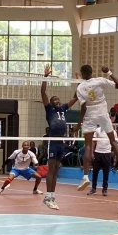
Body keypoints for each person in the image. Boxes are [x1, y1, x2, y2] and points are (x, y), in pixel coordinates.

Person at [76, 64, 118, 191]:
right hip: (103, 113)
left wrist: (79, 123)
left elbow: (83, 107)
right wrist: (109, 72)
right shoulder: (100, 80)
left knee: (88, 146)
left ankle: (86, 176)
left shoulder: (80, 87)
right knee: (113, 141)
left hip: (90, 114)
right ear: (91, 72)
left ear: (82, 74)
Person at [40, 64, 78, 210]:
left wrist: (78, 83)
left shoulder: (63, 109)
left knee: (56, 170)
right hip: (52, 141)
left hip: (61, 141)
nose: (57, 101)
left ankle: (51, 196)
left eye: (58, 99)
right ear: (51, 103)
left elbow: (75, 97)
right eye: (54, 99)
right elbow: (43, 93)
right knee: (51, 169)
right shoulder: (49, 110)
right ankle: (48, 196)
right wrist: (45, 77)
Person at [89, 125, 117, 196]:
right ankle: (93, 188)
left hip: (107, 153)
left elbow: (114, 143)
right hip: (97, 153)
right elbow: (93, 142)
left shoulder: (113, 132)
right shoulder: (97, 130)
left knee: (106, 173)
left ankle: (105, 189)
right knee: (95, 172)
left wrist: (115, 155)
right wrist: (92, 153)